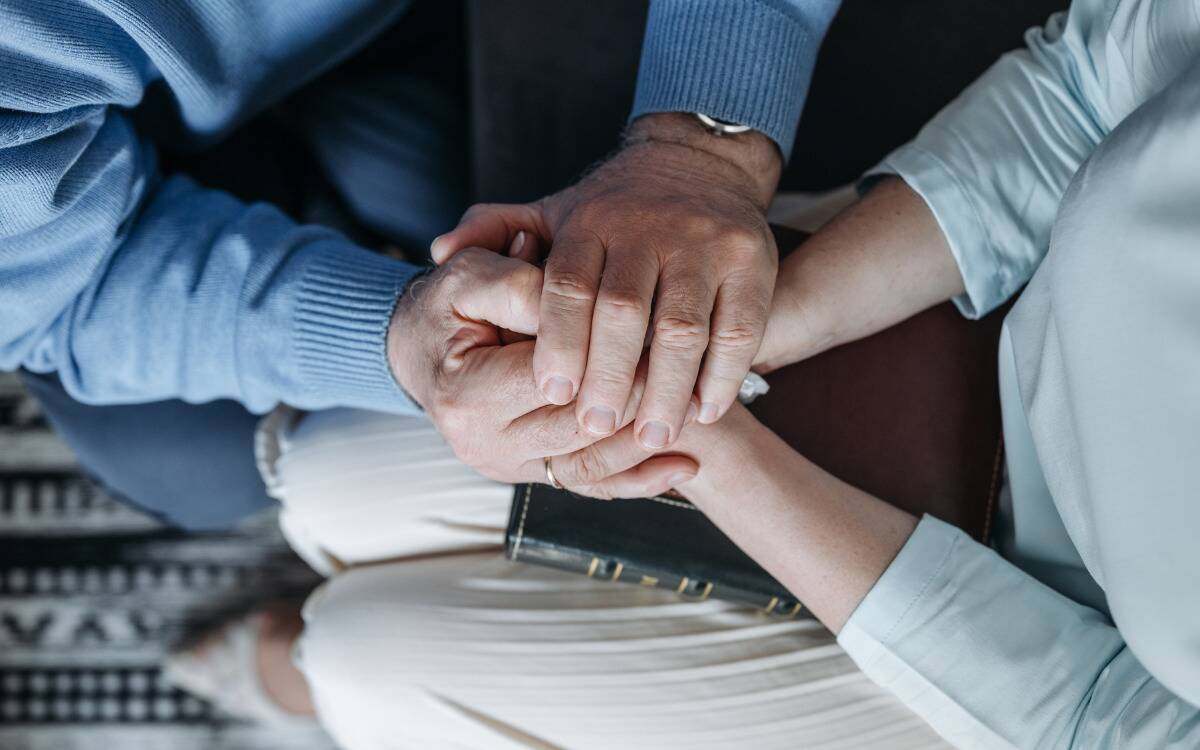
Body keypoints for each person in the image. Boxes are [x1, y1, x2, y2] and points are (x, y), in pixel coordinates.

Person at [169, 0, 1200, 746]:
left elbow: (1098, 725)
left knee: (370, 660)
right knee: (329, 475)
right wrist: (760, 325)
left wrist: (709, 449)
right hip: (950, 304)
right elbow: (1088, 89)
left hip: (1027, 670)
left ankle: (313, 689)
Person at [0, 0, 839, 528]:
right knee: (196, 465)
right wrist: (397, 339)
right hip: (80, 187)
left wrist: (699, 145)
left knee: (490, 221)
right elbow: (68, 293)